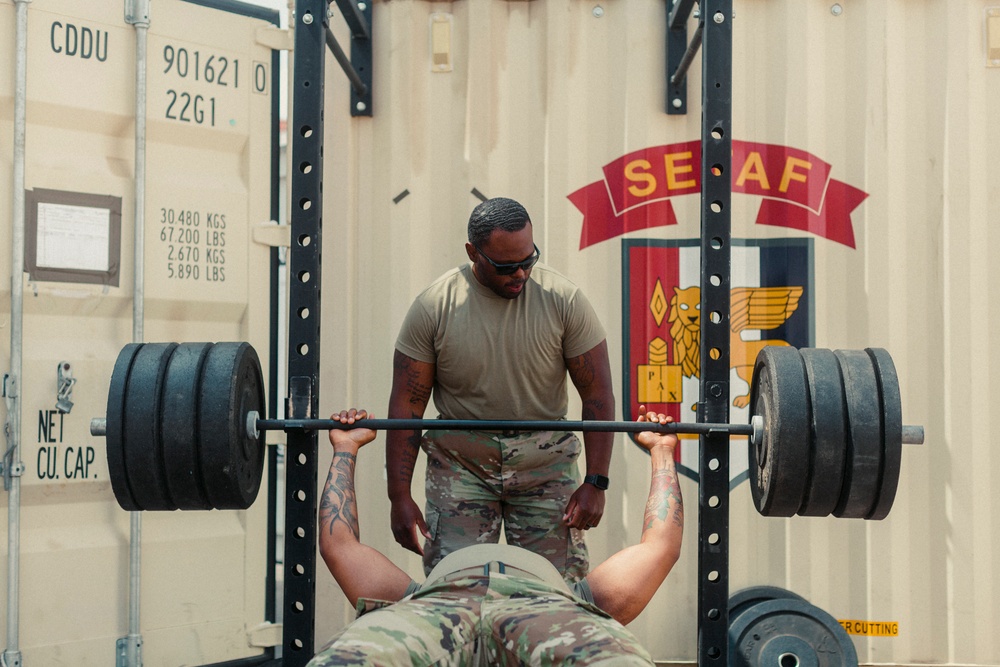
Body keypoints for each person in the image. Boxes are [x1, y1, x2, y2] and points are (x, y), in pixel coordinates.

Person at [310, 408, 683, 667]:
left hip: (439, 607)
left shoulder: (408, 601)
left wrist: (346, 448)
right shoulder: (585, 600)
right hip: (548, 607)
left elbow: (339, 544)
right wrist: (662, 451)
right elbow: (660, 545)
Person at [387, 196, 615, 582]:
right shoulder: (434, 307)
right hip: (463, 467)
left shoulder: (564, 300)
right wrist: (399, 497)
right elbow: (407, 404)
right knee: (455, 591)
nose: (521, 275)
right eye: (507, 266)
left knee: (555, 594)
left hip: (544, 465)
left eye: (529, 260)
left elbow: (597, 394)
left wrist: (596, 482)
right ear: (473, 252)